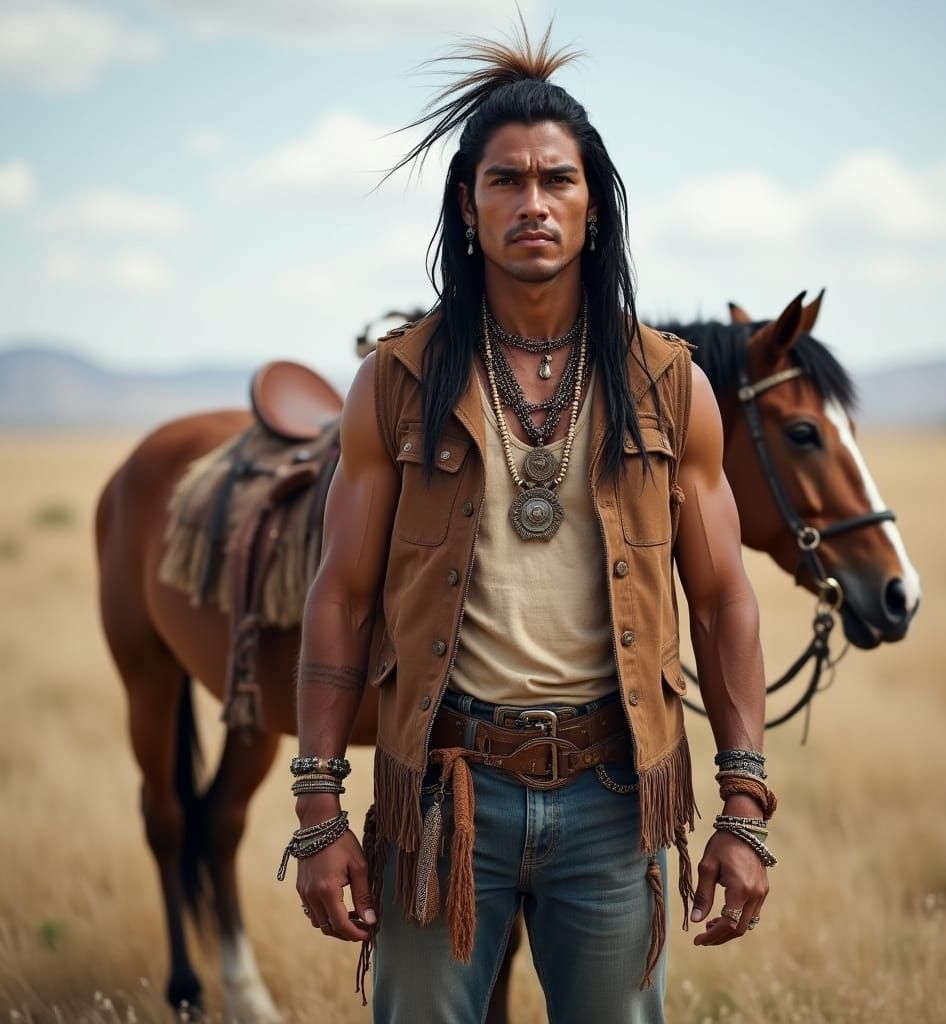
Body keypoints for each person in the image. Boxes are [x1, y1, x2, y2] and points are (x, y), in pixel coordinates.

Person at [284, 23, 776, 1024]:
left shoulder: (669, 383)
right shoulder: (398, 378)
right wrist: (319, 810)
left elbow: (724, 598)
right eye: (505, 181)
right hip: (440, 798)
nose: (533, 203)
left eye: (558, 180)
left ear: (594, 207)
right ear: (468, 208)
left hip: (613, 797)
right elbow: (337, 593)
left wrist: (744, 805)